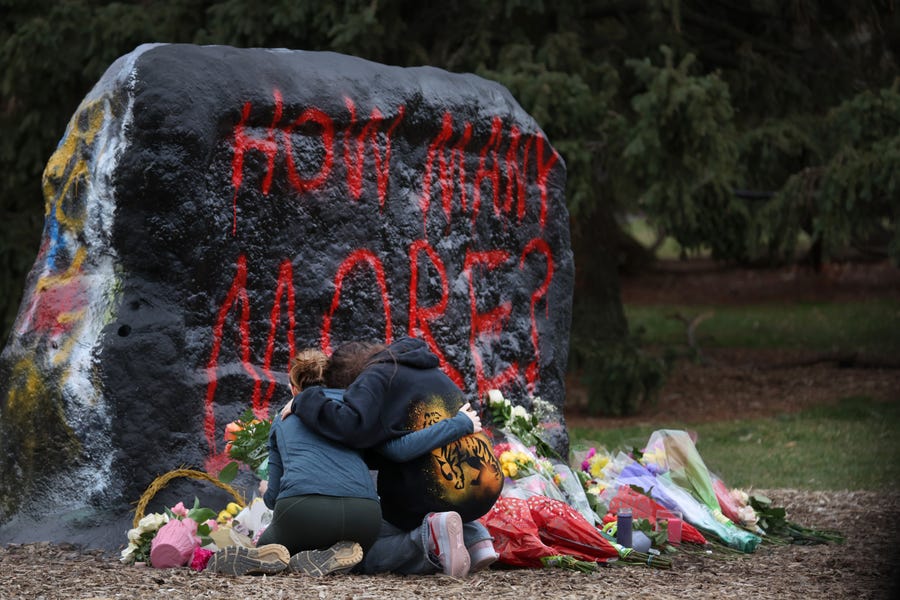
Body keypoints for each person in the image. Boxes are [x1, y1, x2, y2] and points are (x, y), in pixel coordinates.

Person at [208, 348, 483, 577]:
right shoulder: (360, 415)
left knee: (275, 545)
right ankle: (474, 536)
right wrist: (459, 423)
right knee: (365, 547)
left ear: (294, 388)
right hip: (365, 513)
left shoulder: (284, 417)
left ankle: (281, 556)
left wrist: (269, 492)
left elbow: (275, 496)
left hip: (303, 512)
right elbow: (397, 449)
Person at [285, 337, 504, 577]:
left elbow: (351, 425)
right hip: (484, 486)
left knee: (363, 547)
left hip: (435, 492)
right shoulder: (423, 372)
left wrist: (305, 399)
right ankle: (475, 537)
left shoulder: (375, 378)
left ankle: (429, 540)